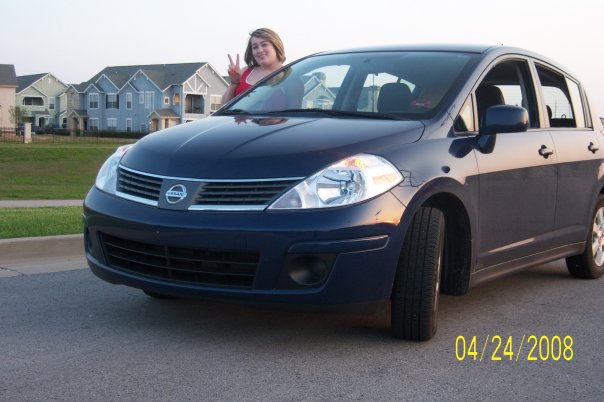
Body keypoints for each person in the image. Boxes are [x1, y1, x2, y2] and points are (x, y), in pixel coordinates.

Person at [223, 28, 286, 103]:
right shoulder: (244, 71)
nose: (260, 50)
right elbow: (223, 106)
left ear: (276, 45)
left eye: (264, 44)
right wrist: (234, 83)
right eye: (255, 47)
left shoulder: (290, 76)